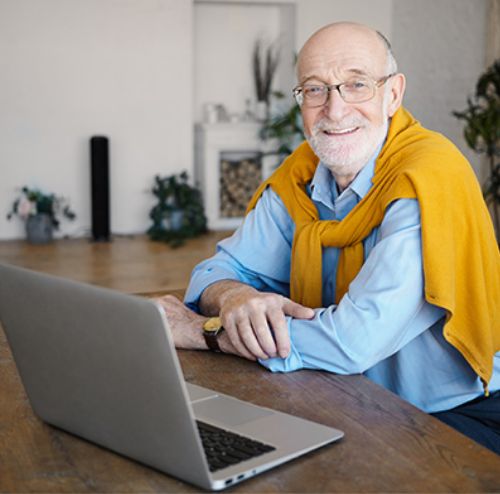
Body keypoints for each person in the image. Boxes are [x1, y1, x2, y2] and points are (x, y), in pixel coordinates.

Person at [157, 22, 500, 454]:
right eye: (315, 90)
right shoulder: (302, 174)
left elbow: (352, 341)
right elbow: (217, 271)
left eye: (356, 84)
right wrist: (234, 297)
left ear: (393, 94)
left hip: (456, 415)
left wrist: (205, 331)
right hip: (348, 396)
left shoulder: (429, 179)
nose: (334, 111)